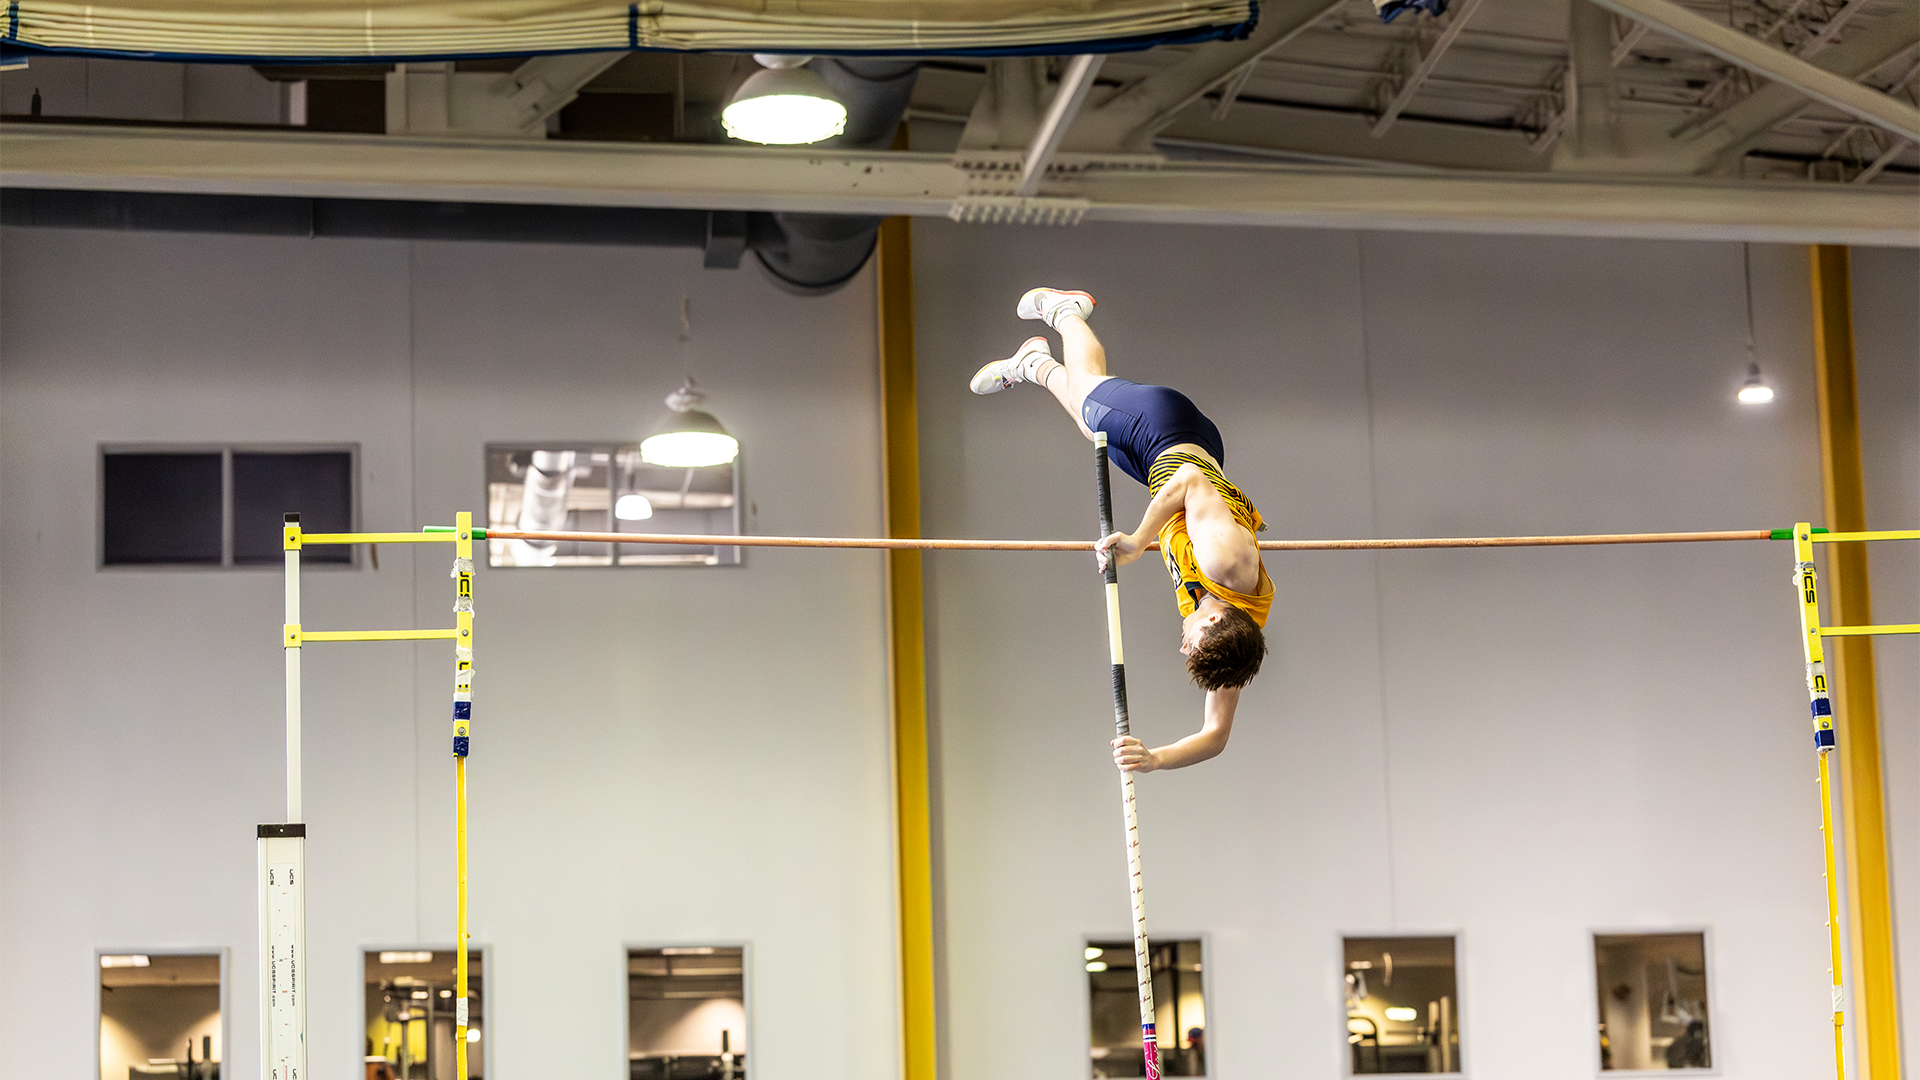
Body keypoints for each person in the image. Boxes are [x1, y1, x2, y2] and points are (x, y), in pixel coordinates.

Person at [971, 287, 1271, 772]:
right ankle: (1065, 312)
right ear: (1214, 621)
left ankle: (1034, 365)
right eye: (1190, 641)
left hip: (1158, 455)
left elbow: (1214, 736)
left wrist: (1154, 759)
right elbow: (1189, 481)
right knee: (1089, 388)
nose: (1182, 641)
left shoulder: (1235, 644)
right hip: (1166, 431)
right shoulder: (1227, 565)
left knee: (1092, 424)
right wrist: (1137, 541)